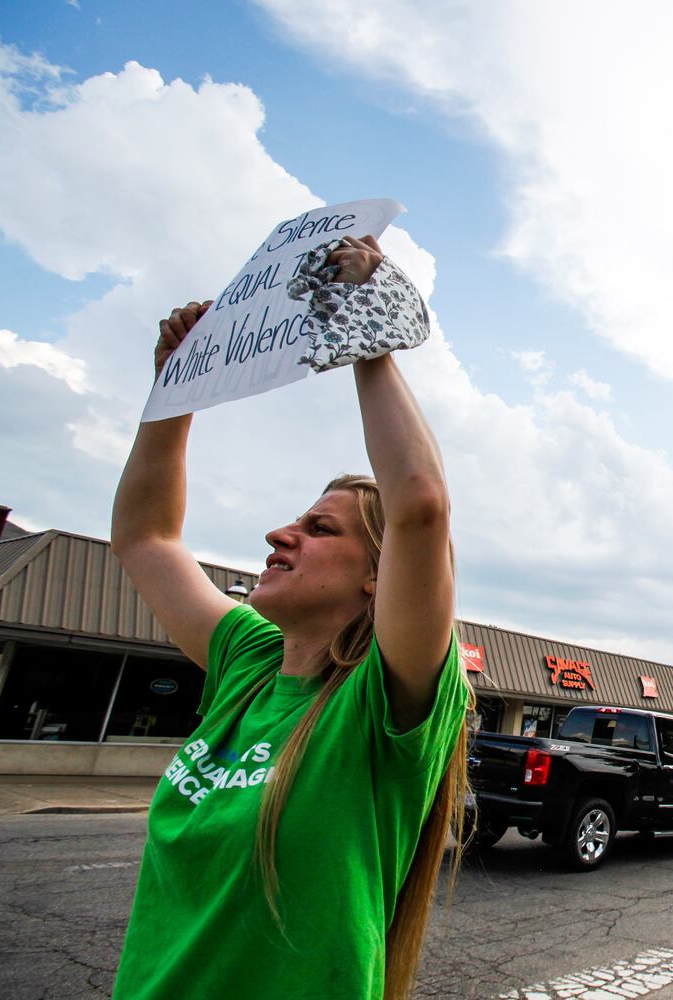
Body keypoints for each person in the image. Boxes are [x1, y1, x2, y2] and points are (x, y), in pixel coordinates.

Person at [109, 235, 470, 1000]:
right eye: (296, 522)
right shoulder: (247, 659)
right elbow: (147, 537)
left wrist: (365, 333)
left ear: (380, 579)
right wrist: (173, 391)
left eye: (320, 529)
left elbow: (422, 507)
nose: (281, 535)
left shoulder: (384, 703)